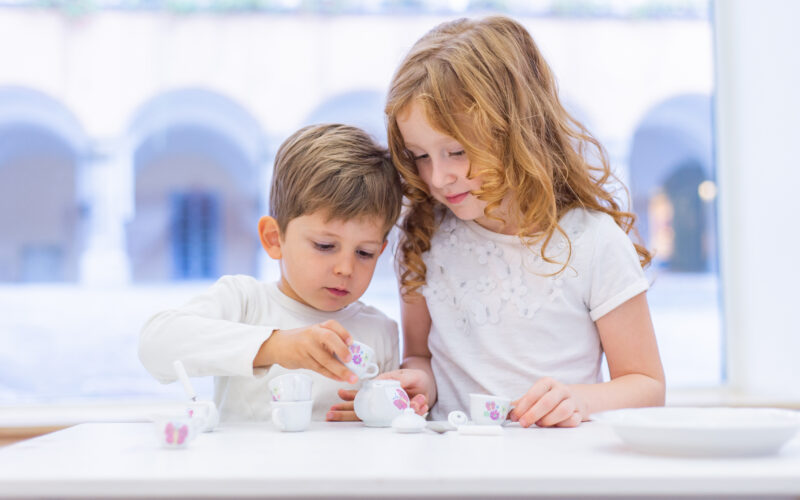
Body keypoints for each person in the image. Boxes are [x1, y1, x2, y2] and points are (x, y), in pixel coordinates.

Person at [379, 16, 665, 427]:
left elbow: (647, 386)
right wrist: (419, 381)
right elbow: (420, 355)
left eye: (457, 152)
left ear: (515, 132)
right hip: (449, 459)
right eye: (420, 156)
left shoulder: (593, 242)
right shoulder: (425, 237)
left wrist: (580, 400)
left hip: (556, 461)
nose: (438, 177)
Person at [139, 123, 418, 422]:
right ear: (274, 239)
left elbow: (392, 427)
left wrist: (384, 411)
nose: (345, 268)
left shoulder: (381, 332)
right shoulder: (244, 303)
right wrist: (273, 346)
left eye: (364, 253)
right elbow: (154, 345)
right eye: (325, 246)